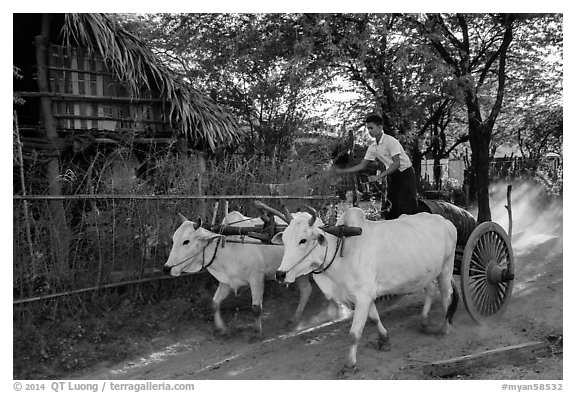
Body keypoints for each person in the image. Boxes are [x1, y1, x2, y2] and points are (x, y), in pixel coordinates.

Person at [332, 114, 418, 219]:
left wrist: (379, 176)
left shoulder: (391, 141)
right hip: (393, 175)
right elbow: (362, 165)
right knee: (392, 205)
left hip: (406, 174)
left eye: (371, 128)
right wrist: (343, 171)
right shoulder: (373, 147)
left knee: (406, 205)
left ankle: (412, 230)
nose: (369, 131)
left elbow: (397, 163)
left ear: (380, 127)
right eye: (368, 128)